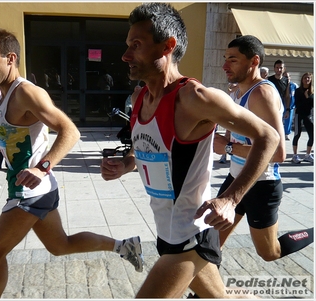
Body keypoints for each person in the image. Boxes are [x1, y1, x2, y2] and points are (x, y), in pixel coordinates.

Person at [101, 3, 280, 298]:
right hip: (165, 233)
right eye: (127, 45)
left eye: (137, 45)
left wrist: (230, 200)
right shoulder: (141, 96)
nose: (125, 55)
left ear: (167, 46)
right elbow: (151, 149)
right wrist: (127, 164)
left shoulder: (194, 98)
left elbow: (269, 137)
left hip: (191, 236)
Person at [0, 28, 143, 298]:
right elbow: (24, 135)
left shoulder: (27, 93)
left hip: (30, 191)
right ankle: (125, 246)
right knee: (60, 245)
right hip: (29, 187)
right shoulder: (3, 94)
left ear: (10, 58)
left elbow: (70, 131)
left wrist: (42, 168)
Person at [189, 35, 314, 298]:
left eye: (232, 60)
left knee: (270, 253)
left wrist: (228, 148)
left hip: (262, 186)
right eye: (225, 59)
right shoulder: (236, 92)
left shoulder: (262, 93)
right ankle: (203, 294)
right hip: (236, 181)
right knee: (208, 245)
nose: (225, 66)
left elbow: (278, 152)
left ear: (254, 61)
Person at [289, 72, 314, 164]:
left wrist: (308, 98)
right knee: (297, 134)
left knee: (312, 135)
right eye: (305, 78)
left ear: (311, 80)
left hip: (308, 116)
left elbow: (312, 105)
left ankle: (308, 155)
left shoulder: (312, 92)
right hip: (299, 115)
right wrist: (306, 99)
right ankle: (295, 155)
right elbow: (298, 105)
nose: (307, 79)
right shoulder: (298, 91)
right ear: (302, 80)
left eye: (308, 78)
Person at [282, 71, 299, 141]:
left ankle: (287, 134)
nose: (287, 78)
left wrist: (295, 105)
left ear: (290, 77)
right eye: (285, 76)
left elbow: (296, 96)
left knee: (288, 121)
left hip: (291, 106)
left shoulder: (294, 85)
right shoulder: (281, 84)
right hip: (282, 105)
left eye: (288, 76)